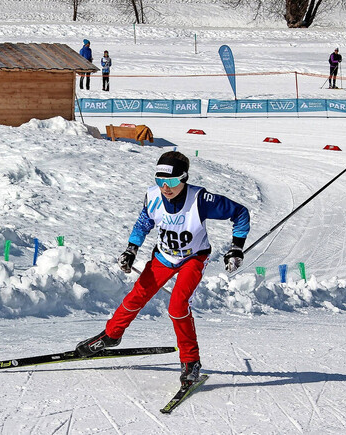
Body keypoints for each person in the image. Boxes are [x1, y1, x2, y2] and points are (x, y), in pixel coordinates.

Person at [75, 151, 250, 386]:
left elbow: (240, 213)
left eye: (172, 182)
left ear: (184, 178)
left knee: (177, 306)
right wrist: (131, 249)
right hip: (164, 256)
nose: (165, 187)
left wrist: (236, 247)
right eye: (160, 181)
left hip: (193, 258)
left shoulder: (201, 199)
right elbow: (144, 222)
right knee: (138, 295)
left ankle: (191, 361)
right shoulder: (153, 196)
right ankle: (111, 336)